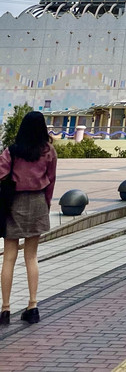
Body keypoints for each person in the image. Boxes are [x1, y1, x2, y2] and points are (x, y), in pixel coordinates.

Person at [0, 110, 57, 325]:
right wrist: (46, 204)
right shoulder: (48, 151)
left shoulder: (13, 151)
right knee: (31, 257)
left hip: (14, 202)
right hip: (38, 202)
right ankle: (32, 306)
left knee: (9, 257)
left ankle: (5, 309)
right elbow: (51, 181)